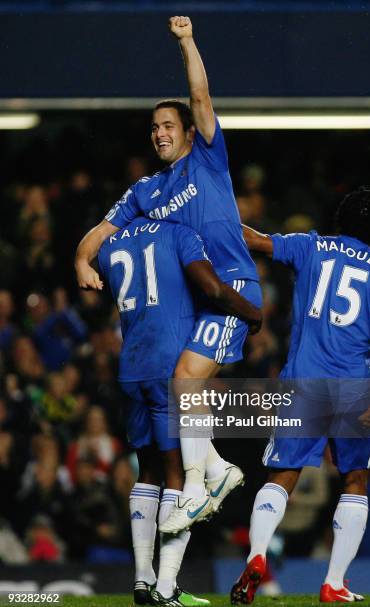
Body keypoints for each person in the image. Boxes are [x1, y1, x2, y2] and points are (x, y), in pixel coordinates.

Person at [75, 15, 261, 533]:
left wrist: (186, 41)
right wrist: (81, 261)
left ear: (185, 131)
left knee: (184, 383)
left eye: (167, 126)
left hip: (232, 289)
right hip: (200, 301)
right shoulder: (146, 192)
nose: (159, 133)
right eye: (154, 128)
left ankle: (204, 485)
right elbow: (98, 235)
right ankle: (217, 471)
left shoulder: (208, 157)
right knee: (186, 390)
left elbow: (200, 97)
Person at [230, 187, 370, 605]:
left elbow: (254, 239)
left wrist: (213, 218)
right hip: (354, 386)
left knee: (282, 476)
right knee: (355, 479)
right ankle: (334, 582)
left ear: (340, 219)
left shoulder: (310, 246)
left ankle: (256, 556)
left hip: (303, 382)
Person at [97, 216, 261, 606]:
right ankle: (166, 585)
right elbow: (209, 286)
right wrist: (251, 312)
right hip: (168, 364)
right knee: (179, 477)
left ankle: (142, 579)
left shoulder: (112, 243)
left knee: (147, 469)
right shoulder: (180, 233)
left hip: (131, 364)